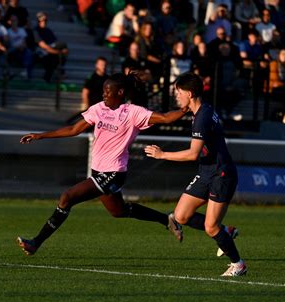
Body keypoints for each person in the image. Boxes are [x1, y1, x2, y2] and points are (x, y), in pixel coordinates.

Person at [17, 71, 189, 256]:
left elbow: (164, 118)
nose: (104, 94)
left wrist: (187, 109)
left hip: (114, 173)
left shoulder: (133, 113)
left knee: (67, 197)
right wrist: (40, 135)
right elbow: (74, 129)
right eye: (103, 91)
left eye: (108, 91)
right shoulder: (98, 108)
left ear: (120, 92)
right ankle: (167, 219)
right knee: (118, 211)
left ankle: (36, 242)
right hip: (98, 172)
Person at [144, 72, 247, 277]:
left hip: (222, 174)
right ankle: (226, 232)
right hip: (206, 172)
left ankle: (238, 264)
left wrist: (162, 154)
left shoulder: (202, 117)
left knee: (210, 227)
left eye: (178, 92)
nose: (176, 96)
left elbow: (193, 154)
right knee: (181, 215)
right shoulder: (202, 109)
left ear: (189, 93)